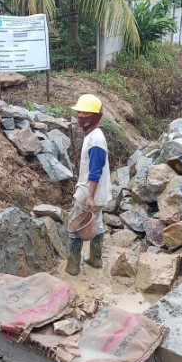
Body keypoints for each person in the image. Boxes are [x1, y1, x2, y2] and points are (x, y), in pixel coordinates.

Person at [66, 94, 112, 276]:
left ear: (94, 117)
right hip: (99, 192)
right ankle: (95, 259)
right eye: (79, 113)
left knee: (74, 227)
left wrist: (90, 197)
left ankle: (72, 267)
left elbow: (95, 172)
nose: (80, 117)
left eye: (84, 114)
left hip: (89, 191)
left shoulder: (95, 140)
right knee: (97, 223)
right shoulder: (93, 134)